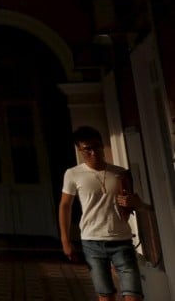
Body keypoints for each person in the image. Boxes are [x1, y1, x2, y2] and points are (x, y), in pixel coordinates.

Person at [58, 126, 144, 301]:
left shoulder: (119, 173)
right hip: (92, 241)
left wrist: (133, 203)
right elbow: (65, 206)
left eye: (96, 147)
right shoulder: (73, 174)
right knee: (105, 295)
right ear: (79, 150)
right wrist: (65, 240)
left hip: (121, 240)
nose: (93, 152)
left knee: (133, 295)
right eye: (87, 149)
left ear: (102, 145)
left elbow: (134, 203)